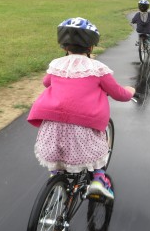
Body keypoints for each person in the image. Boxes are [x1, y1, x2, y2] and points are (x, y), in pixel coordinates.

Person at [27, 17, 135, 200]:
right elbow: (118, 94)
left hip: (52, 125)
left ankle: (56, 178)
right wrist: (131, 91)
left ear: (63, 47)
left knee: (57, 152)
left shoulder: (56, 65)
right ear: (91, 47)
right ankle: (99, 180)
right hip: (82, 128)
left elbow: (46, 83)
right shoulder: (98, 69)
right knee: (98, 148)